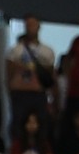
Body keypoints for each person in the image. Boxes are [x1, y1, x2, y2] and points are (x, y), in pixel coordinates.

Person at [5, 15, 56, 145]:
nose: (30, 28)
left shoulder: (47, 51)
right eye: (28, 25)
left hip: (38, 94)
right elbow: (8, 74)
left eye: (33, 24)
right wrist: (10, 93)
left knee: (41, 126)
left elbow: (51, 77)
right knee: (18, 127)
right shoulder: (15, 50)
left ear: (39, 26)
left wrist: (54, 100)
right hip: (19, 94)